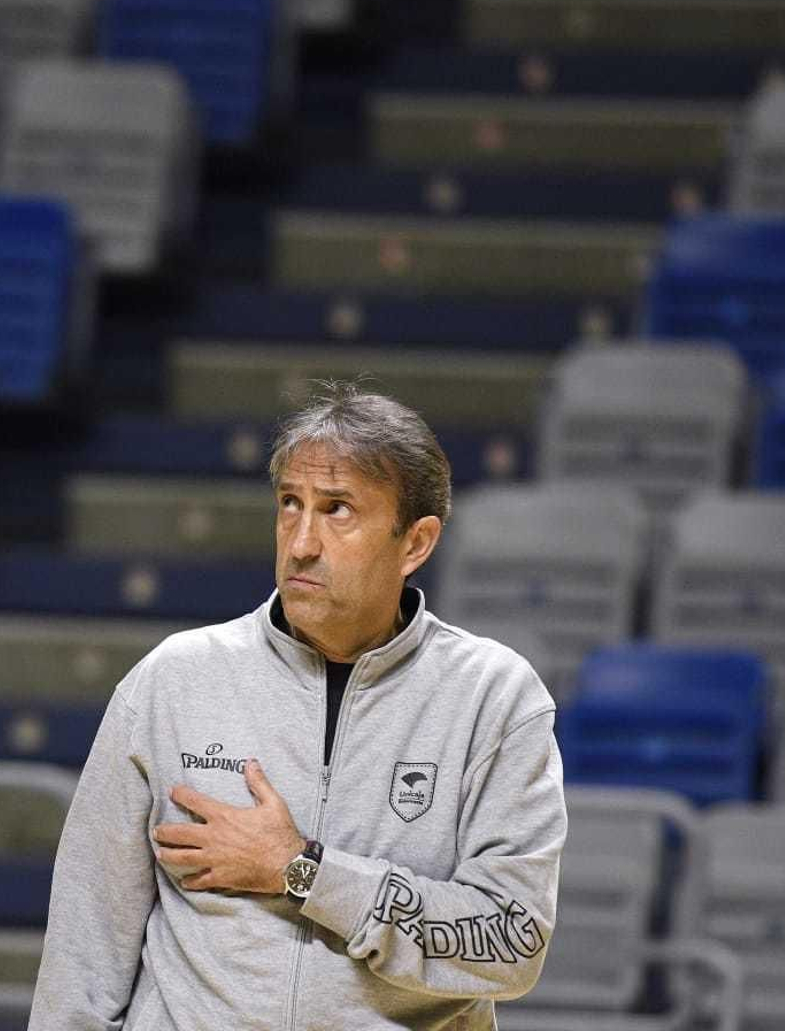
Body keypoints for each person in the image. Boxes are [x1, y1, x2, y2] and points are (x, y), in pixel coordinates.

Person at [29, 381, 565, 1031]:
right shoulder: (173, 680)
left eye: (337, 509)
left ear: (416, 543)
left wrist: (303, 869)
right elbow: (84, 951)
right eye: (291, 503)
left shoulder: (494, 698)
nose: (302, 541)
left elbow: (512, 945)